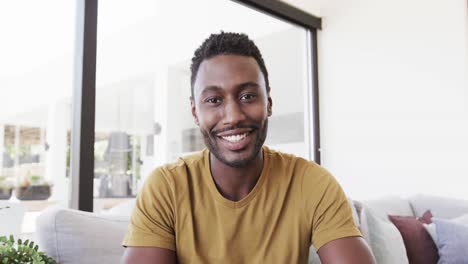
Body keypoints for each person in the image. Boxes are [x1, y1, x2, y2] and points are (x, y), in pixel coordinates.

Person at [121, 32, 375, 264]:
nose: (233, 116)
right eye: (213, 100)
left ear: (269, 102)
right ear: (195, 112)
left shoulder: (311, 183)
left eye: (248, 96)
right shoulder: (166, 187)